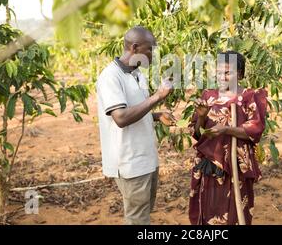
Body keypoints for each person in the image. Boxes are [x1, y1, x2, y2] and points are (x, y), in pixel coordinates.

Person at [96, 26, 175, 225]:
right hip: (130, 163)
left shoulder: (137, 74)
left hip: (146, 159)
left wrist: (156, 116)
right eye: (150, 49)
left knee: (143, 216)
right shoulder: (110, 77)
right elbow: (121, 118)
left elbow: (137, 109)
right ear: (135, 47)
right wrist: (158, 96)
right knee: (137, 220)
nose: (153, 54)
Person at [188, 50, 268, 225]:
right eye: (218, 72)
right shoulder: (208, 96)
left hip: (236, 166)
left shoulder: (249, 96)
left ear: (239, 73)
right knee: (209, 209)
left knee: (235, 211)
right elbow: (197, 133)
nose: (222, 77)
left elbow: (255, 128)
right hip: (210, 165)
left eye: (227, 73)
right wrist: (201, 116)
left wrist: (226, 130)